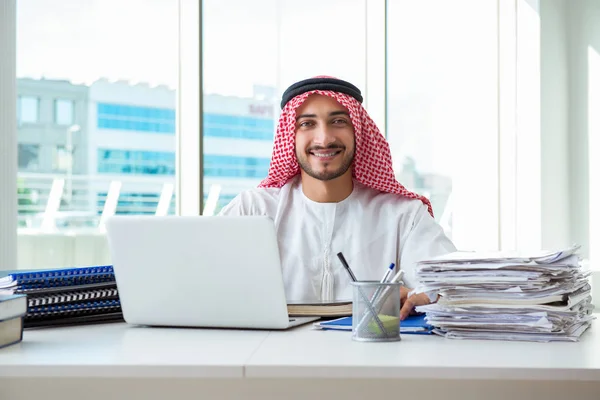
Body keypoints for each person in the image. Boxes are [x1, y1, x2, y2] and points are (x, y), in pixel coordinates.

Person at [219, 76, 456, 319]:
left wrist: (425, 297)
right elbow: (204, 281)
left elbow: (454, 286)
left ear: (358, 132)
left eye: (338, 121)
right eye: (307, 124)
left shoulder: (404, 215)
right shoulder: (252, 210)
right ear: (291, 135)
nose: (324, 138)